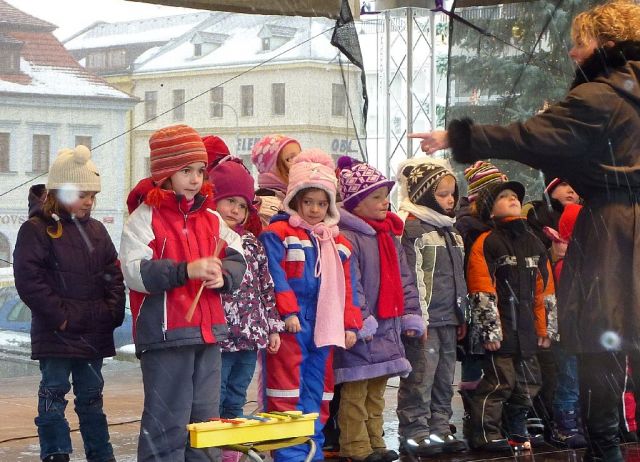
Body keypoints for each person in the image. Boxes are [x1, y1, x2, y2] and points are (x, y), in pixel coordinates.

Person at [411, 2, 640, 459]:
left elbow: (528, 137)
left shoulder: (601, 96)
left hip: (615, 232)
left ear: (607, 45)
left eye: (581, 43)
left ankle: (606, 451)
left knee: (601, 346)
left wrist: (458, 137)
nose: (574, 53)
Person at [119, 124, 246, 462]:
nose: (194, 178)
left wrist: (226, 275)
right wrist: (183, 271)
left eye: (200, 170)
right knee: (167, 423)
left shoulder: (211, 218)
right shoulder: (144, 219)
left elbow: (238, 254)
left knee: (205, 425)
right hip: (165, 336)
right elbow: (134, 271)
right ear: (164, 173)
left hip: (207, 335)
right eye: (185, 170)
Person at [13, 146, 126, 462]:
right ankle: (56, 453)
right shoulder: (37, 230)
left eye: (92, 195)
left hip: (93, 332)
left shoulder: (97, 230)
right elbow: (29, 281)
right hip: (57, 335)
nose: (89, 201)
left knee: (92, 400)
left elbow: (112, 274)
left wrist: (112, 314)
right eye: (81, 194)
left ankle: (101, 455)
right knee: (53, 395)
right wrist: (61, 318)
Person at [259, 149, 363, 462]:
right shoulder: (278, 233)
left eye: (322, 203)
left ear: (330, 205)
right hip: (293, 323)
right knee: (286, 388)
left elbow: (348, 288)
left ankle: (312, 451)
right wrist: (287, 311)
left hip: (325, 323)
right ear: (295, 200)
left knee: (319, 390)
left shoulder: (337, 241)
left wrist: (350, 324)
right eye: (308, 202)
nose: (315, 209)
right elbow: (275, 277)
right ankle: (288, 454)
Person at [333, 157, 424, 462]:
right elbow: (350, 283)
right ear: (356, 202)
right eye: (376, 196)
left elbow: (405, 279)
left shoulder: (388, 236)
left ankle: (376, 442)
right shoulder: (348, 237)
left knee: (376, 392)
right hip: (365, 328)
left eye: (386, 195)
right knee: (356, 392)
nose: (385, 202)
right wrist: (361, 320)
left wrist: (411, 314)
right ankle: (355, 445)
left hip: (388, 325)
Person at [464, 181, 557, 451]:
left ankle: (516, 428)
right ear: (489, 211)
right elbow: (481, 288)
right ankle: (485, 433)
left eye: (514, 196)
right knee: (498, 384)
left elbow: (544, 289)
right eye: (503, 197)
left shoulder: (534, 242)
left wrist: (545, 329)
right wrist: (490, 331)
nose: (512, 199)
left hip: (527, 330)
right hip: (502, 330)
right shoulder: (487, 242)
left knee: (529, 383)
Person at [209, 159, 284, 462]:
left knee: (238, 395)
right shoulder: (210, 241)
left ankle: (232, 451)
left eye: (242, 205)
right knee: (217, 393)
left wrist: (273, 325)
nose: (235, 210)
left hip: (251, 335)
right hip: (222, 336)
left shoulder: (252, 243)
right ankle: (214, 448)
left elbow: (266, 287)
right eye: (229, 202)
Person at [394, 158, 468, 456]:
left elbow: (459, 279)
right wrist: (417, 318)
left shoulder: (451, 230)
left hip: (449, 317)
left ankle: (440, 427)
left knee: (444, 377)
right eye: (442, 194)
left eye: (452, 194)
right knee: (420, 376)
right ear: (423, 194)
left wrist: (463, 313)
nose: (450, 200)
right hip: (424, 320)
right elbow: (412, 277)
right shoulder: (412, 228)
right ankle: (415, 431)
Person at [543, 203, 588, 448]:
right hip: (569, 334)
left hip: (576, 333)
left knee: (574, 380)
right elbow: (571, 302)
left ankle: (574, 424)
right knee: (569, 381)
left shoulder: (572, 259)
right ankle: (564, 427)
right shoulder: (565, 263)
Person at [250, 134, 301, 227]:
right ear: (272, 168)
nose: (299, 163)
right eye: (290, 158)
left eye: (300, 156)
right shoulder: (266, 203)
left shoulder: (296, 196)